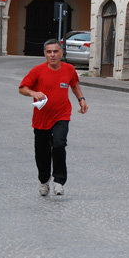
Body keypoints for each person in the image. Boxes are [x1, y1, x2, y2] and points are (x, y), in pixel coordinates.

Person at [19, 39, 88, 197]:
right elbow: (22, 88)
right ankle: (44, 181)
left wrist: (81, 99)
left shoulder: (69, 69)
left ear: (61, 53)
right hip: (41, 118)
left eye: (55, 51)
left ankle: (59, 181)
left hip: (61, 115)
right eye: (49, 52)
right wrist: (33, 93)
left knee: (59, 144)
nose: (52, 55)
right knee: (41, 152)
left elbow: (74, 85)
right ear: (44, 54)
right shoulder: (37, 70)